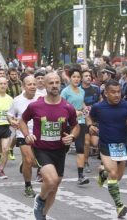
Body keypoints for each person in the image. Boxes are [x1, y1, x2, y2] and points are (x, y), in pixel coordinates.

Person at [19, 72, 79, 220]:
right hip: (41, 149)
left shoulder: (67, 106)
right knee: (51, 181)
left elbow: (76, 126)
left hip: (59, 150)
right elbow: (22, 121)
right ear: (44, 85)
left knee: (55, 187)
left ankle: (43, 214)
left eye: (57, 82)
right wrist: (27, 135)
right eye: (50, 83)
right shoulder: (35, 105)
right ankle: (40, 199)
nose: (54, 85)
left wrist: (72, 136)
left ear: (60, 84)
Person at [86, 80, 127, 218]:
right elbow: (89, 117)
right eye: (113, 92)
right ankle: (119, 205)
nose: (117, 95)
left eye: (119, 92)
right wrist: (90, 125)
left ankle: (103, 173)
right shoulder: (98, 107)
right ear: (106, 93)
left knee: (118, 177)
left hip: (121, 145)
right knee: (113, 174)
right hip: (106, 144)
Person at [8, 75, 38, 197]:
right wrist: (12, 121)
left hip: (38, 133)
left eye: (34, 84)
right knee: (29, 160)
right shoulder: (17, 100)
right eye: (29, 84)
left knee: (35, 163)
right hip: (22, 133)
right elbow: (9, 115)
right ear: (24, 86)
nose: (32, 86)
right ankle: (28, 186)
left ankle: (25, 164)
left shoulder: (41, 98)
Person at [60, 67, 89, 185]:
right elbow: (61, 106)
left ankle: (81, 176)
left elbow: (81, 102)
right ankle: (56, 171)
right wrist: (73, 112)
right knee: (63, 149)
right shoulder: (65, 91)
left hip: (80, 122)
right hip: (67, 123)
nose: (76, 79)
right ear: (70, 78)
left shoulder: (82, 91)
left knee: (80, 147)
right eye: (74, 77)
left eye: (78, 77)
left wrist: (84, 108)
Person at [80, 69, 101, 173]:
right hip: (83, 119)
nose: (88, 77)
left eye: (89, 75)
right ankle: (85, 162)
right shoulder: (78, 90)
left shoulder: (96, 89)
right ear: (81, 78)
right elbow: (80, 106)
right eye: (86, 76)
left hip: (95, 119)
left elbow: (100, 101)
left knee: (95, 142)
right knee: (87, 143)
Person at [6, 68, 22, 161]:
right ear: (9, 75)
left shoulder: (20, 83)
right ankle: (1, 150)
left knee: (17, 131)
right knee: (6, 132)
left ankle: (10, 148)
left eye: (15, 74)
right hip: (9, 110)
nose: (14, 76)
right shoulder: (6, 84)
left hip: (18, 110)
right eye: (12, 74)